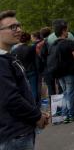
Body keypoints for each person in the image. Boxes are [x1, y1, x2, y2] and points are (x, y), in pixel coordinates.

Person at [0, 10, 49, 149]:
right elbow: (11, 99)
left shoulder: (9, 57)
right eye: (12, 27)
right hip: (14, 135)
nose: (19, 30)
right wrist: (37, 116)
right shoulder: (1, 62)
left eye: (19, 25)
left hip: (19, 131)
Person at [49, 21, 74, 123]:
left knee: (65, 93)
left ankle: (65, 115)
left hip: (59, 73)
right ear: (63, 31)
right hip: (70, 72)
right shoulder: (69, 43)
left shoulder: (53, 45)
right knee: (71, 93)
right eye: (66, 29)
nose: (67, 31)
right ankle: (70, 114)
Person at [11, 32, 39, 104]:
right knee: (33, 89)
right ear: (28, 39)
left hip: (21, 71)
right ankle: (34, 104)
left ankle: (27, 104)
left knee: (23, 89)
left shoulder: (14, 50)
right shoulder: (31, 48)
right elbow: (36, 59)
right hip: (32, 70)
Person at [35, 27, 57, 99]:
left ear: (41, 35)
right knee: (60, 85)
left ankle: (53, 105)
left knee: (51, 87)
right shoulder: (54, 40)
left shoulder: (39, 45)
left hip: (46, 67)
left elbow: (40, 58)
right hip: (56, 65)